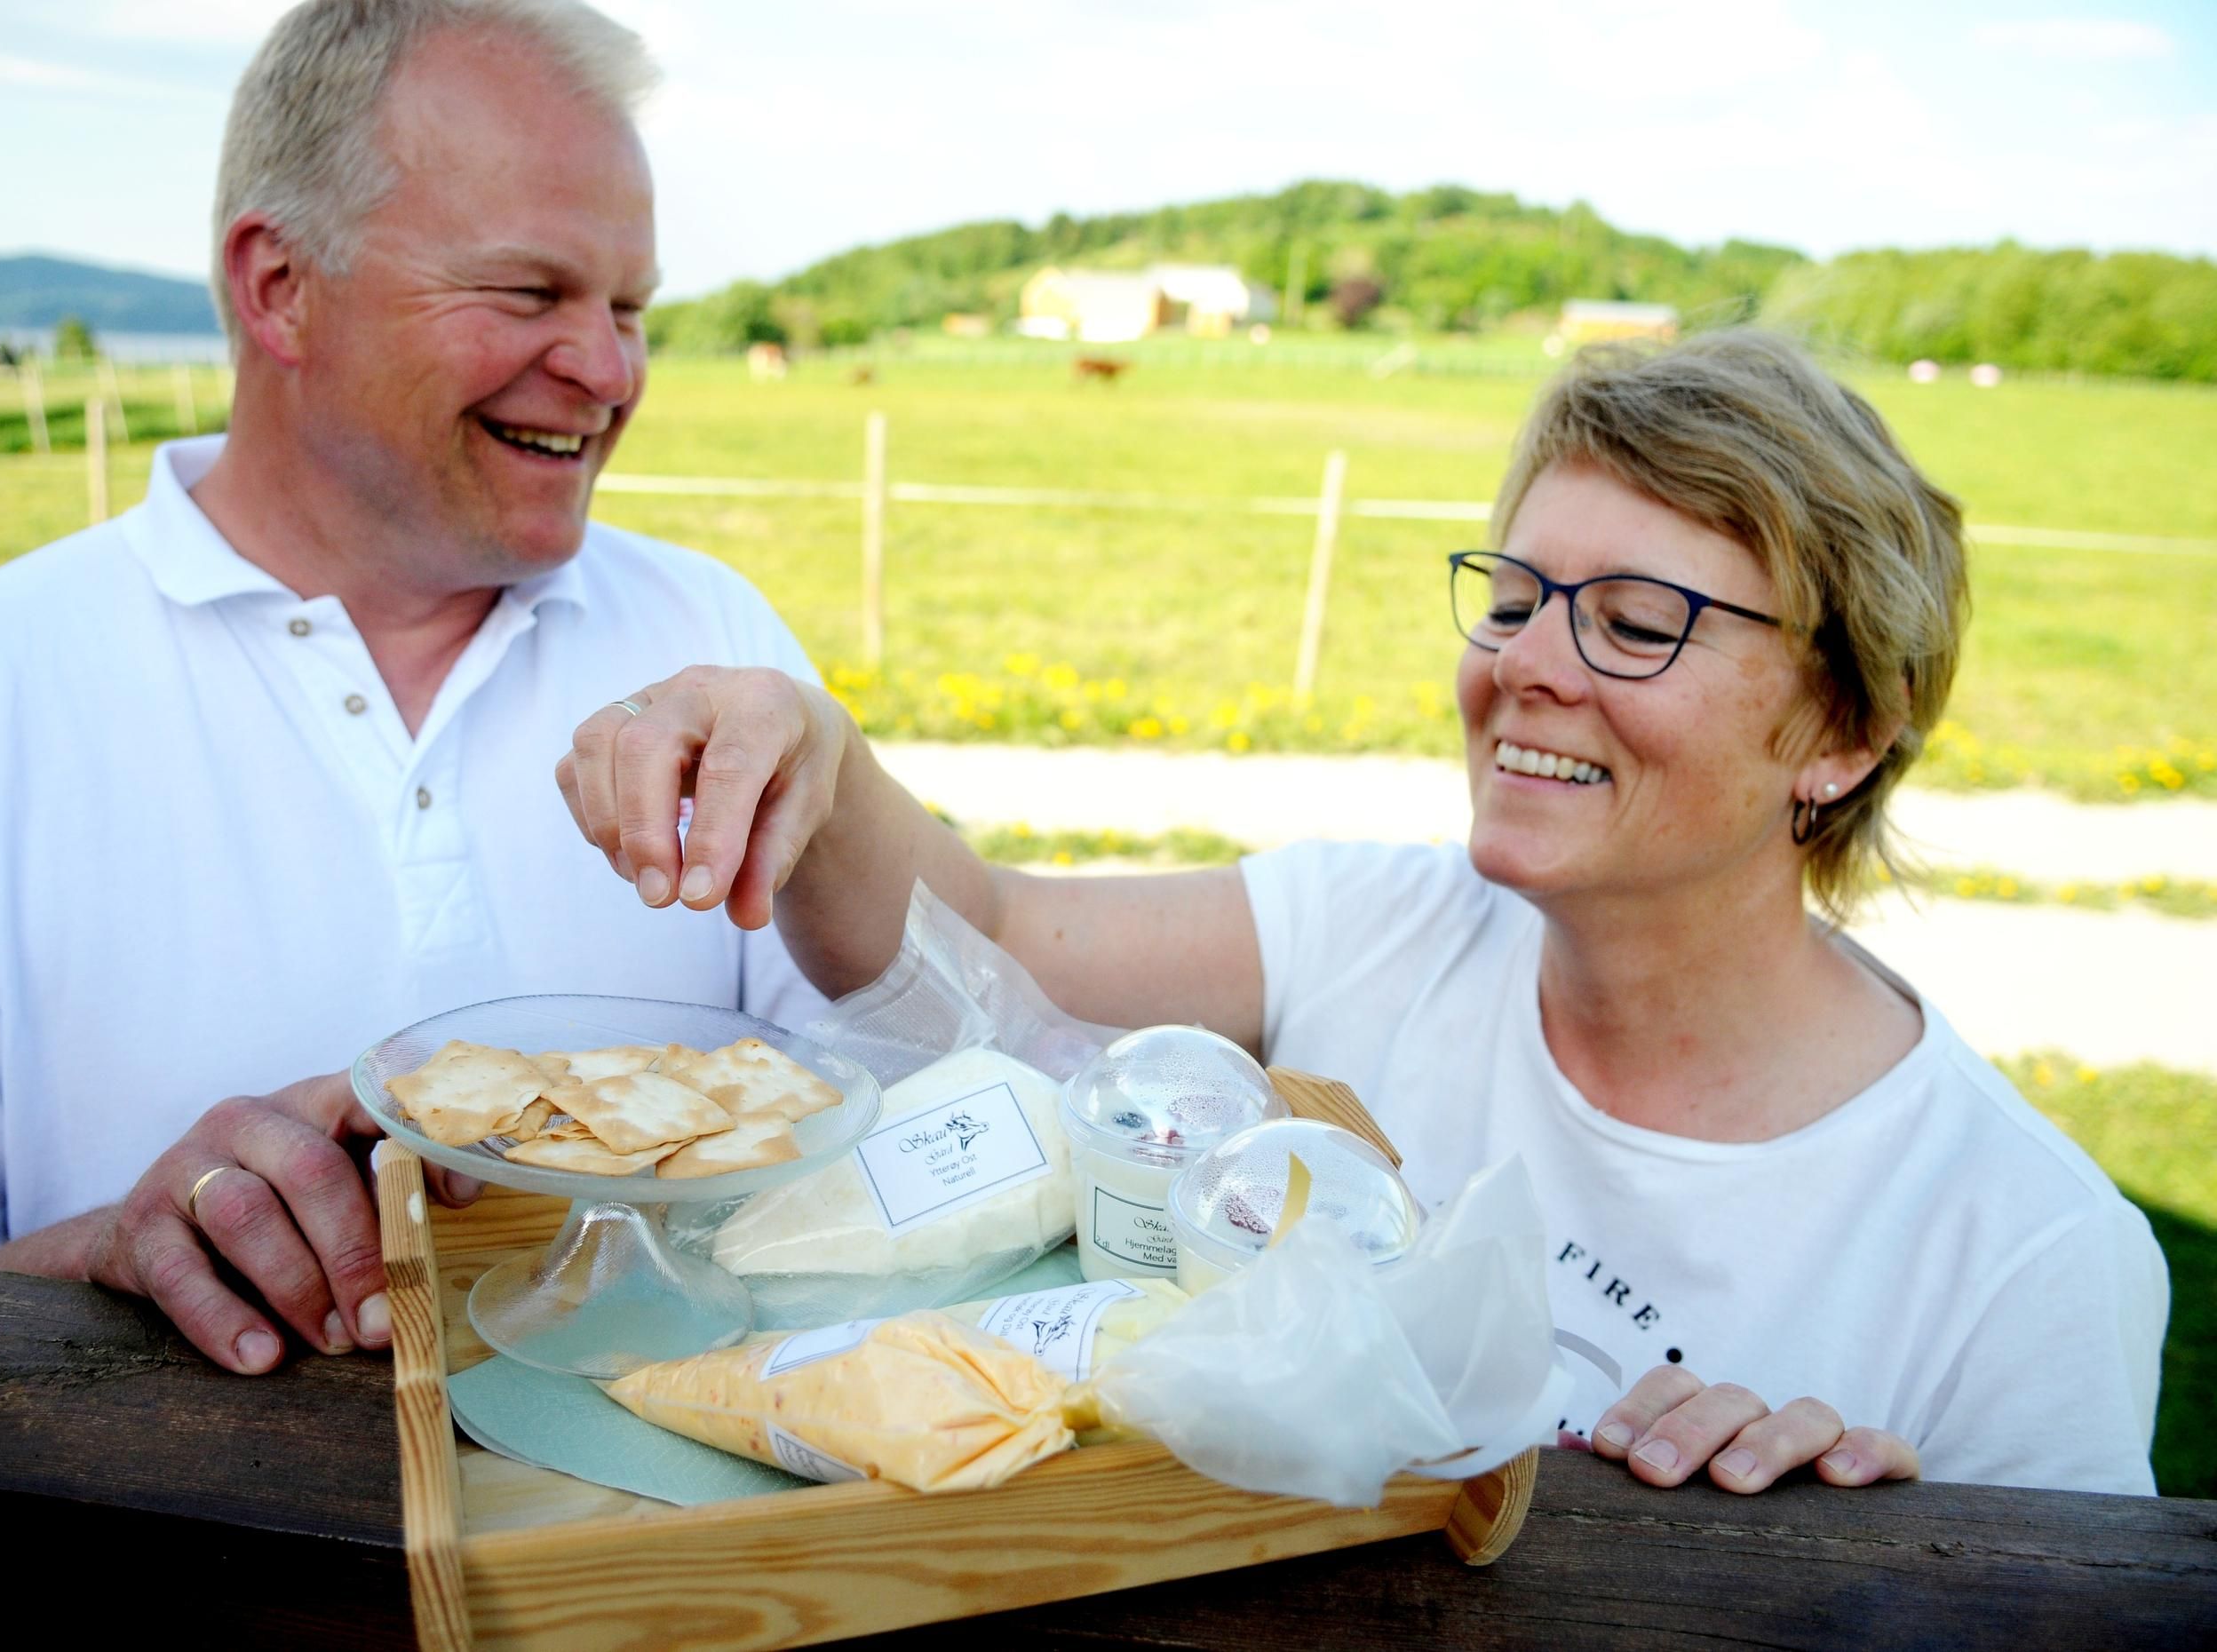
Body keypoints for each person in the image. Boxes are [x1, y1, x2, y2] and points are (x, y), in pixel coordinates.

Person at [559, 330, 2169, 1497]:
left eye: (1634, 623)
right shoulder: (1375, 926)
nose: (1524, 664)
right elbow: (974, 943)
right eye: (1517, 597)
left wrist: (1853, 1562)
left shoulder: (2025, 1253)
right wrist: (814, 755)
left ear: (1844, 733)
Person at [0, 0, 829, 1375]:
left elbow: (894, 1127)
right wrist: (108, 1256)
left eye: (629, 308)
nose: (608, 372)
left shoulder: (715, 635)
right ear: (280, 285)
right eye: (528, 293)